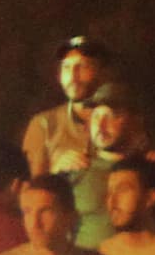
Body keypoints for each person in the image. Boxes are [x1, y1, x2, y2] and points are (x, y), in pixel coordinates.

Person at [71, 88, 155, 248]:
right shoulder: (75, 168)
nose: (101, 125)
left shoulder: (152, 170)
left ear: (135, 122)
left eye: (112, 116)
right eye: (96, 116)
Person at [24, 35, 113, 182]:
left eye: (83, 66)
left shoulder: (121, 120)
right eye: (66, 67)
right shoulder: (43, 124)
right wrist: (55, 171)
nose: (73, 76)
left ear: (103, 73)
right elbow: (28, 187)